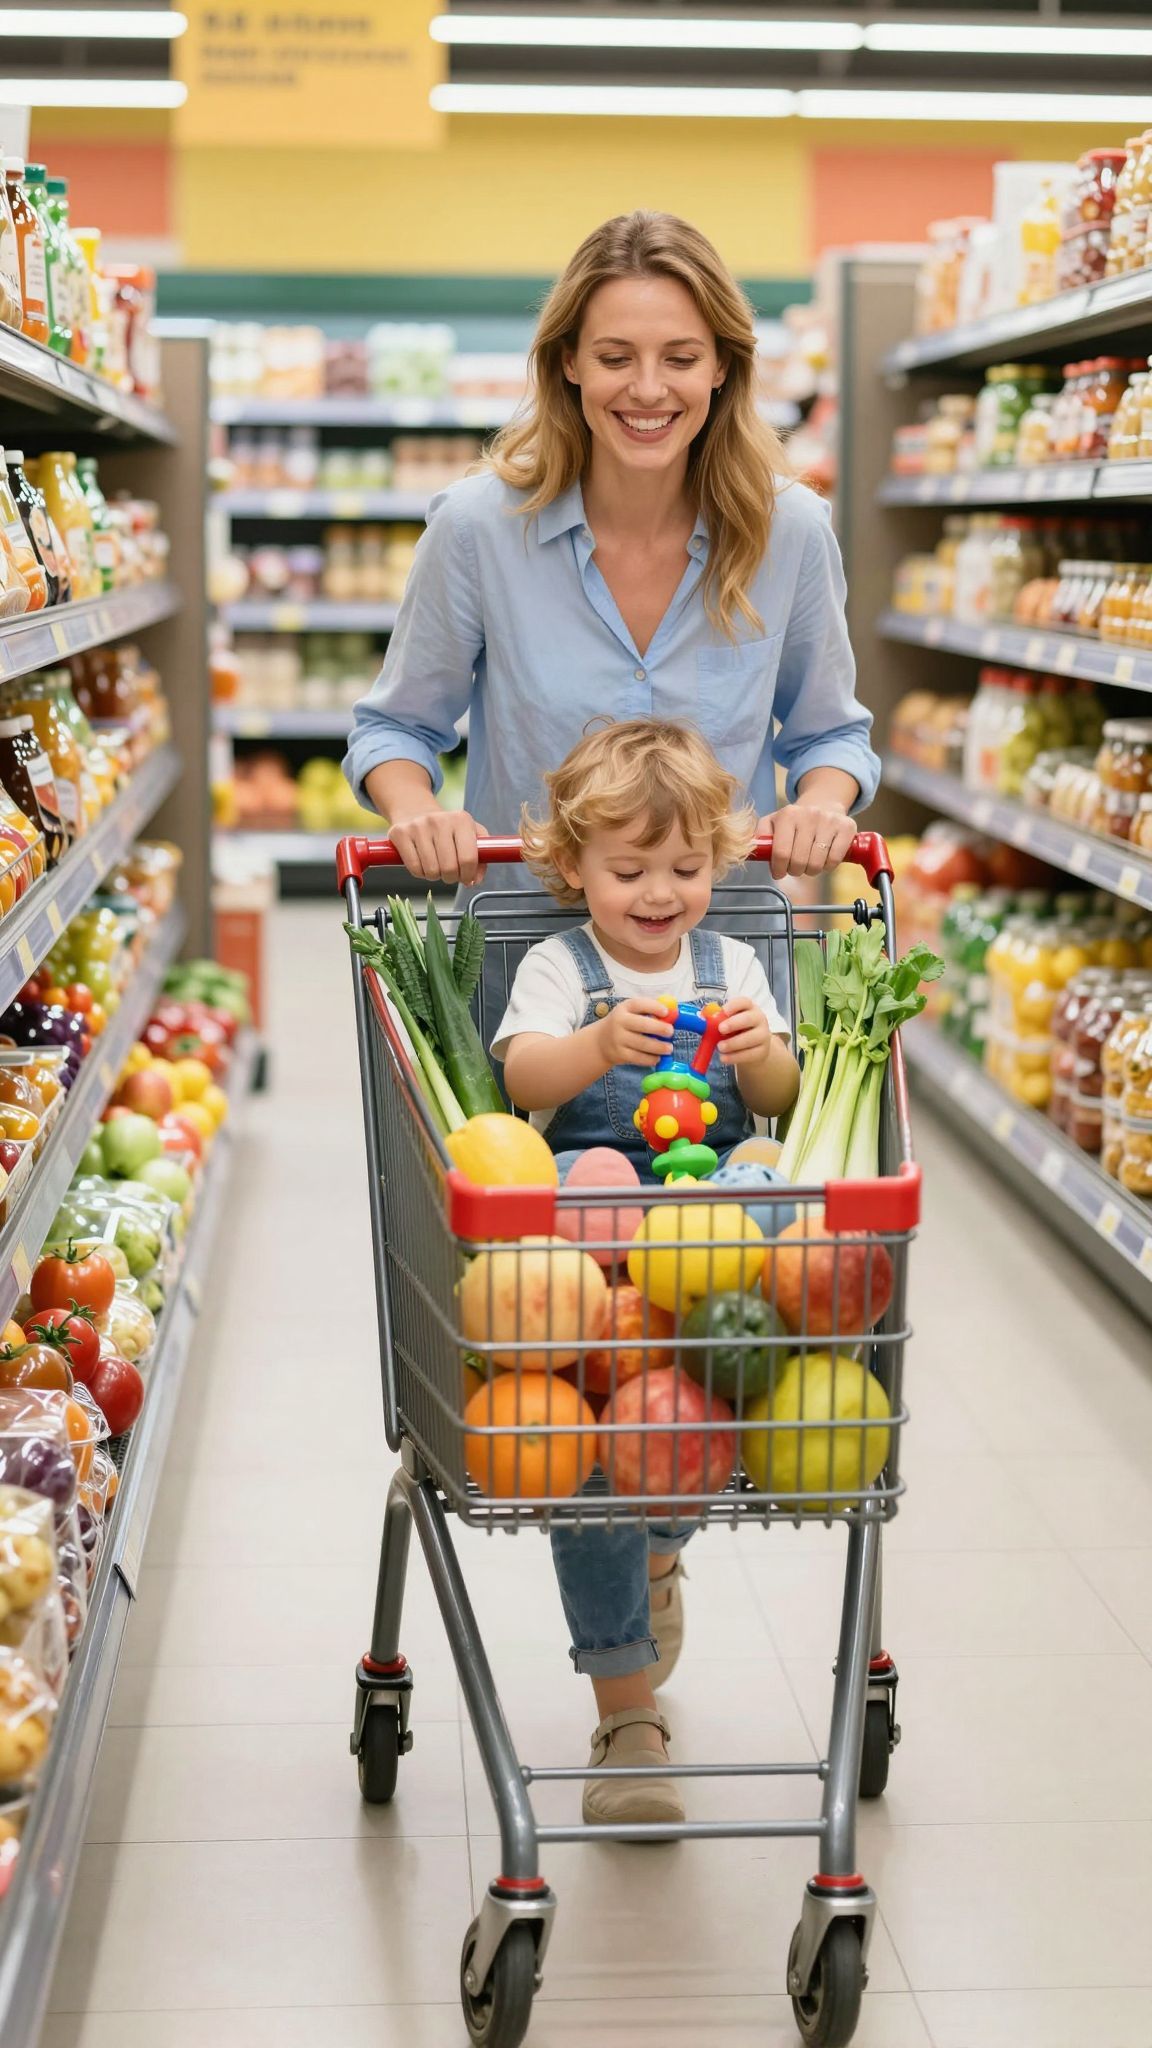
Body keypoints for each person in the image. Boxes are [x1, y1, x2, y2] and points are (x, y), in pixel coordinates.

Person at [344, 208, 879, 1825]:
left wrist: (819, 812)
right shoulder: (477, 531)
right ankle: (625, 1701)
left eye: (682, 357)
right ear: (567, 364)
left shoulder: (787, 533)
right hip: (536, 1014)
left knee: (721, 1339)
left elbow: (835, 730)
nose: (649, 387)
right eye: (616, 354)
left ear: (725, 367)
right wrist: (415, 811)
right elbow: (396, 726)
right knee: (576, 1353)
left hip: (731, 1013)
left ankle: (652, 1534)